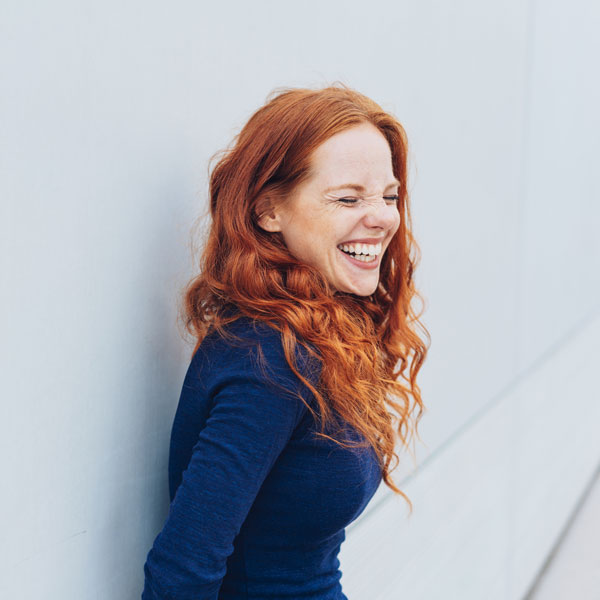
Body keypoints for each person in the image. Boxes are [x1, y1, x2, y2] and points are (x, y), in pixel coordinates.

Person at [141, 83, 429, 599]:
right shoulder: (271, 359)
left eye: (389, 196)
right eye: (348, 197)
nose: (385, 216)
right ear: (268, 212)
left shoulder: (322, 334)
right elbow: (181, 570)